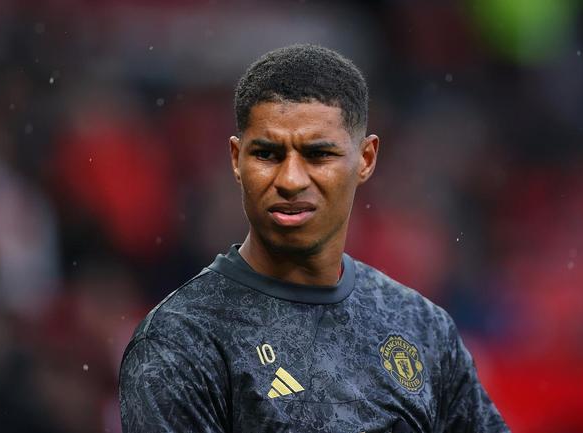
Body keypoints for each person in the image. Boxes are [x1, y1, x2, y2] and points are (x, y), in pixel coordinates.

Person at [119, 44, 509, 433]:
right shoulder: (181, 341)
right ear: (236, 159)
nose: (291, 180)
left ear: (366, 159)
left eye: (318, 155)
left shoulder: (422, 328)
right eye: (267, 154)